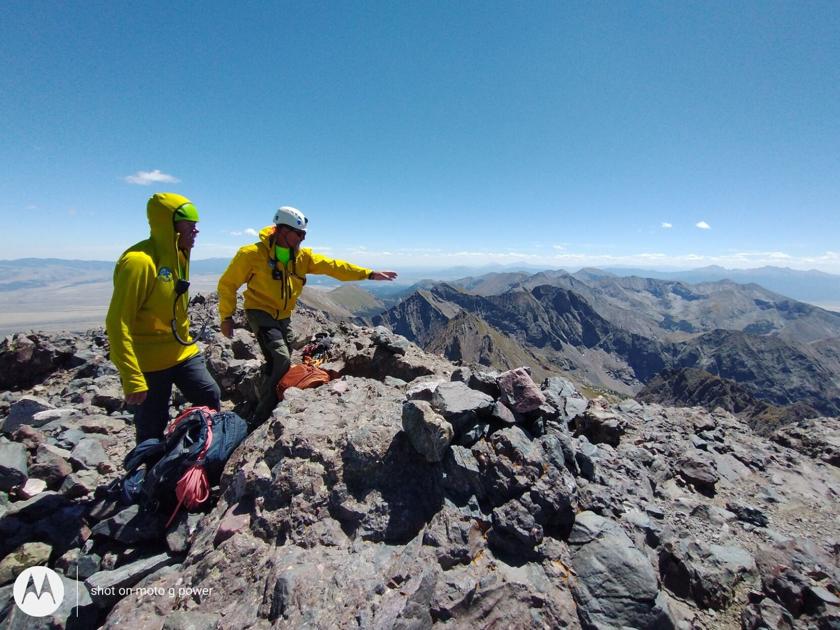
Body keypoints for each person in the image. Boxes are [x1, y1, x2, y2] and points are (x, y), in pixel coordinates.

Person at [218, 206, 397, 424]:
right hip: (260, 312)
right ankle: (262, 414)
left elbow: (334, 267)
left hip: (284, 315)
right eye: (299, 233)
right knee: (281, 358)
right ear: (282, 230)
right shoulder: (252, 254)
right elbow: (227, 284)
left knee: (279, 359)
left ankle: (265, 386)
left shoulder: (302, 257)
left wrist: (369, 274)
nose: (302, 238)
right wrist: (226, 317)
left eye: (304, 234)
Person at [106, 193, 221, 444]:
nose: (196, 230)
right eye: (189, 223)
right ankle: (149, 466)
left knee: (209, 395)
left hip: (182, 351)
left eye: (196, 224)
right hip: (149, 360)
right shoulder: (139, 262)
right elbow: (117, 322)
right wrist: (131, 376)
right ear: (169, 225)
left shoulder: (179, 255)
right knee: (151, 427)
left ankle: (203, 452)